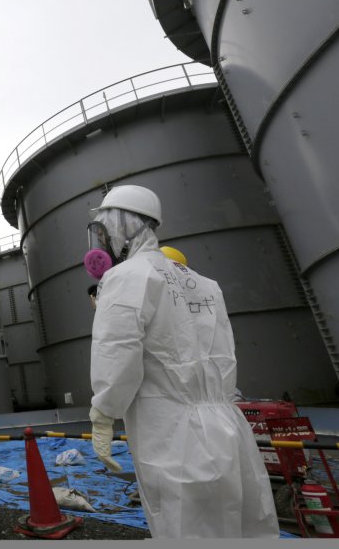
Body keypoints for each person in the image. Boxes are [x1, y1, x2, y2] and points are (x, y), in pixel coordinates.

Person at [85, 185, 279, 538]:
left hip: (172, 433)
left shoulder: (125, 277)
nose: (102, 241)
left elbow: (117, 351)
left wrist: (104, 413)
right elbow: (220, 352)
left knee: (186, 527)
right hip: (227, 424)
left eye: (105, 231)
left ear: (124, 226)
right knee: (245, 526)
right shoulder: (205, 284)